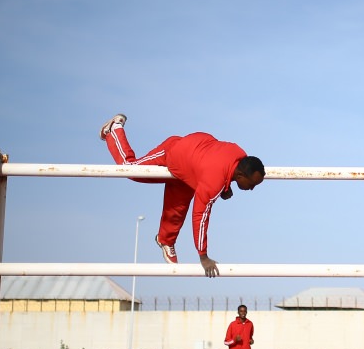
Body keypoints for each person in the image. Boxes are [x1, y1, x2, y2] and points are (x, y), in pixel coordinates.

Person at [100, 114, 266, 277]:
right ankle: (114, 130)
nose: (252, 189)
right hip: (173, 150)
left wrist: (226, 186)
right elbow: (200, 216)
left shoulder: (240, 154)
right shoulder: (213, 181)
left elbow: (220, 163)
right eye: (252, 184)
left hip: (191, 161)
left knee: (178, 207)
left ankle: (165, 240)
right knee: (130, 169)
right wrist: (203, 256)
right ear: (241, 175)